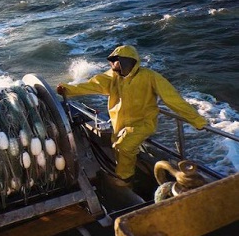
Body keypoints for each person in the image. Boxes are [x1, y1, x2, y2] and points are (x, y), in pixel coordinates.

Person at [57, 45, 207, 187]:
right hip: (119, 123)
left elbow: (173, 100)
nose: (116, 65)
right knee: (117, 145)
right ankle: (127, 170)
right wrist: (67, 89)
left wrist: (197, 121)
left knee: (124, 146)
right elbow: (91, 85)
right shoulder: (112, 77)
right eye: (114, 61)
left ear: (131, 62)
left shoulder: (150, 77)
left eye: (120, 61)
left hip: (143, 123)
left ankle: (125, 178)